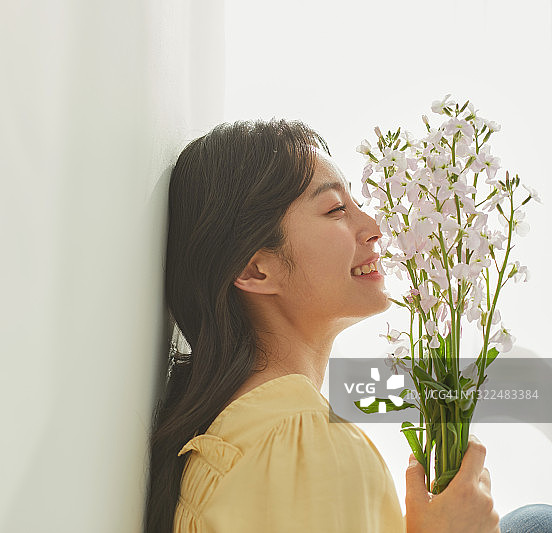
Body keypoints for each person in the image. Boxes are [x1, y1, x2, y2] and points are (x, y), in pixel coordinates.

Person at [144, 119, 552, 532]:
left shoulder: (241, 424)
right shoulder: (307, 447)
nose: (375, 229)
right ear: (255, 268)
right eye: (336, 209)